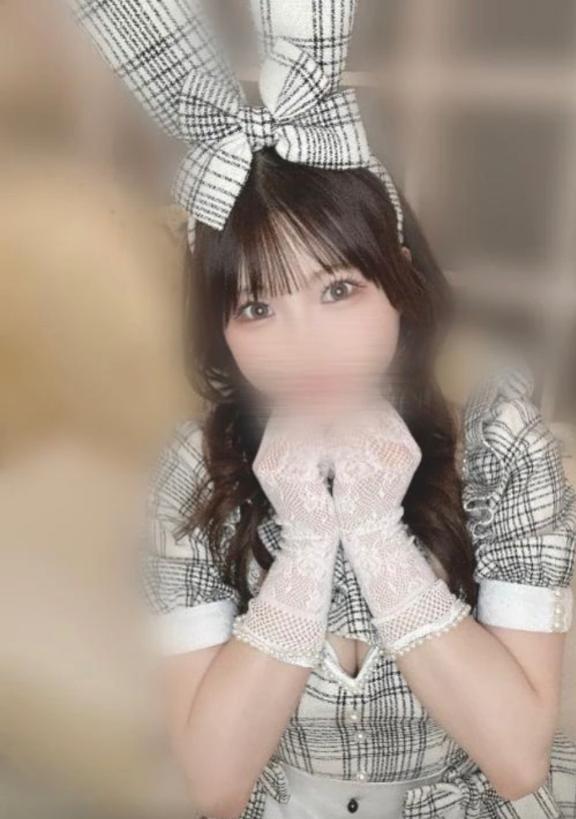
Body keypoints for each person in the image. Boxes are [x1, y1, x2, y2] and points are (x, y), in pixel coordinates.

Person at [71, 1, 576, 817]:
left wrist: (377, 536)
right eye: (257, 307)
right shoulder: (196, 465)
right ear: (221, 329)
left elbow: (519, 758)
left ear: (398, 276)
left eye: (338, 289)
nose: (305, 346)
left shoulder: (495, 434)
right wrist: (307, 546)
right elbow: (215, 782)